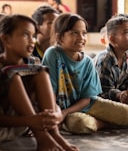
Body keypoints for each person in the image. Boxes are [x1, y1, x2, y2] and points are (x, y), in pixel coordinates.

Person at [42, 13, 128, 134]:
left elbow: (87, 99)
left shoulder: (87, 62)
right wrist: (60, 113)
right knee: (80, 123)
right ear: (60, 37)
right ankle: (100, 123)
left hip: (86, 105)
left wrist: (64, 114)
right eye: (74, 33)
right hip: (60, 108)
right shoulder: (53, 54)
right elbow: (49, 92)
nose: (81, 37)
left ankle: (97, 123)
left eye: (84, 33)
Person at [0, 14, 78, 150]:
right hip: (7, 127)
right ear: (6, 39)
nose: (32, 41)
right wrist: (30, 121)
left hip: (25, 127)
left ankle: (55, 136)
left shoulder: (34, 64)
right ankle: (43, 138)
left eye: (34, 36)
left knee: (40, 71)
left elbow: (49, 104)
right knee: (13, 75)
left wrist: (56, 114)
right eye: (25, 35)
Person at [94, 16, 128, 104]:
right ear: (112, 39)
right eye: (126, 33)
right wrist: (119, 94)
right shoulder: (105, 59)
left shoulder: (126, 56)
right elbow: (102, 92)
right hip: (99, 102)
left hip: (116, 102)